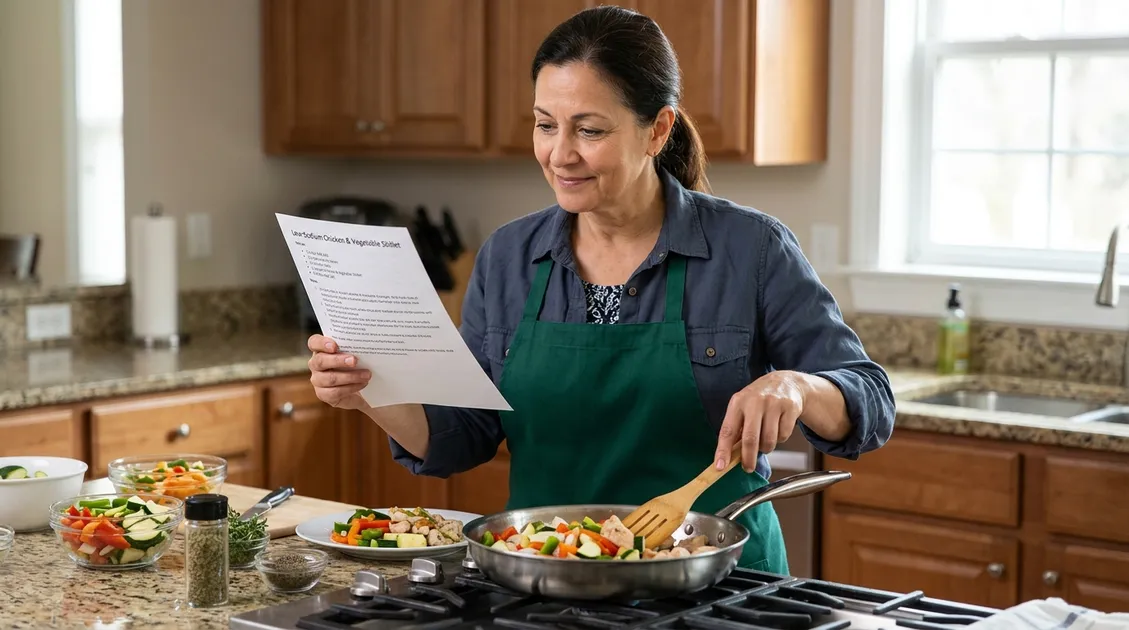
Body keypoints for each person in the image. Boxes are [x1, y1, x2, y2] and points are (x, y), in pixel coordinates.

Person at [306, 4, 895, 573]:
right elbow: (465, 436)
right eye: (544, 125)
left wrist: (797, 385)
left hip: (720, 585)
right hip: (547, 581)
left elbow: (870, 402)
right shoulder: (510, 257)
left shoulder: (751, 249)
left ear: (657, 129)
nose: (560, 154)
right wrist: (369, 393)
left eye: (589, 130)